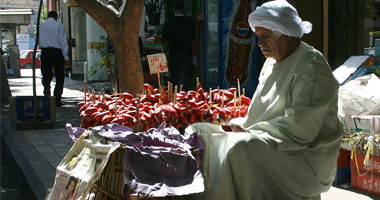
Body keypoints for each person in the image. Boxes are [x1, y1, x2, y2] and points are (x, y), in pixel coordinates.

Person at [185, 0, 343, 199]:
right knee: (197, 132)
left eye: (266, 37)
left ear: (285, 33)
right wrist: (237, 125)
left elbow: (301, 131)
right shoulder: (270, 64)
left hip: (304, 159)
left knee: (239, 147)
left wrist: (250, 131)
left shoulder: (311, 66)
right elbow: (262, 115)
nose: (259, 43)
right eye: (258, 37)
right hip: (269, 140)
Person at [162, 0, 195, 91]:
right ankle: (182, 93)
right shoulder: (190, 21)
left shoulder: (169, 22)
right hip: (186, 51)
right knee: (183, 73)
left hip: (174, 51)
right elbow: (193, 36)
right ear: (184, 9)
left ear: (173, 9)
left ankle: (175, 94)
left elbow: (165, 37)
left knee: (175, 74)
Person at [39, 10, 69, 107]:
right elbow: (63, 41)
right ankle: (57, 99)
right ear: (56, 17)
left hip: (45, 52)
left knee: (46, 75)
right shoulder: (59, 25)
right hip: (57, 53)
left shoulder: (41, 25)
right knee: (60, 76)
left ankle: (47, 95)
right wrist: (66, 56)